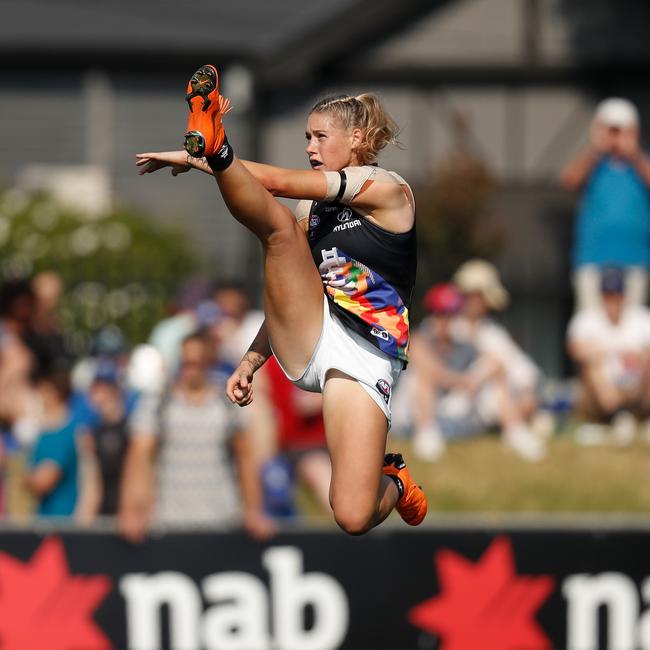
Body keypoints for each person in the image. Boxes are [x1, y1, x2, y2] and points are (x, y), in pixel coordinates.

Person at [135, 64, 426, 534]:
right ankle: (218, 141)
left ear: (355, 139)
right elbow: (293, 289)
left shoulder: (387, 188)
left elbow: (279, 181)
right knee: (279, 230)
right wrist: (250, 361)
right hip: (313, 331)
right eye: (306, 138)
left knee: (352, 514)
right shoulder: (310, 211)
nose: (310, 148)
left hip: (367, 352)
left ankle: (395, 479)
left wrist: (200, 160)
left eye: (320, 137)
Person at [118, 332, 275, 541]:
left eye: (197, 363)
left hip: (223, 521)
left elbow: (245, 458)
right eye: (186, 363)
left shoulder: (226, 401)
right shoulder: (158, 402)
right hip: (168, 523)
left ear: (209, 362)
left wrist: (254, 510)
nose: (190, 370)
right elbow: (139, 457)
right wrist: (131, 510)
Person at [561, 97, 650, 311]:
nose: (616, 136)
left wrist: (634, 153)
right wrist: (596, 149)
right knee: (591, 323)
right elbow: (569, 179)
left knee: (632, 327)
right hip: (592, 259)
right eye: (611, 130)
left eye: (621, 130)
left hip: (635, 259)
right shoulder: (593, 165)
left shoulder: (641, 163)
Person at [451, 260, 546, 461]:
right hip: (453, 404)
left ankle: (515, 427)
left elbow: (524, 370)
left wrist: (527, 394)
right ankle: (516, 430)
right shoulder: (448, 328)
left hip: (486, 404)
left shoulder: (492, 332)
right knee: (494, 373)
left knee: (498, 382)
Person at [567, 267, 650, 443]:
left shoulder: (642, 318)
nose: (612, 301)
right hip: (601, 393)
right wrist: (604, 353)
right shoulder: (587, 319)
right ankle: (619, 417)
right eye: (608, 295)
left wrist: (638, 356)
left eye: (616, 295)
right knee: (592, 365)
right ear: (601, 296)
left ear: (624, 296)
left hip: (636, 387)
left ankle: (631, 418)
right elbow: (575, 349)